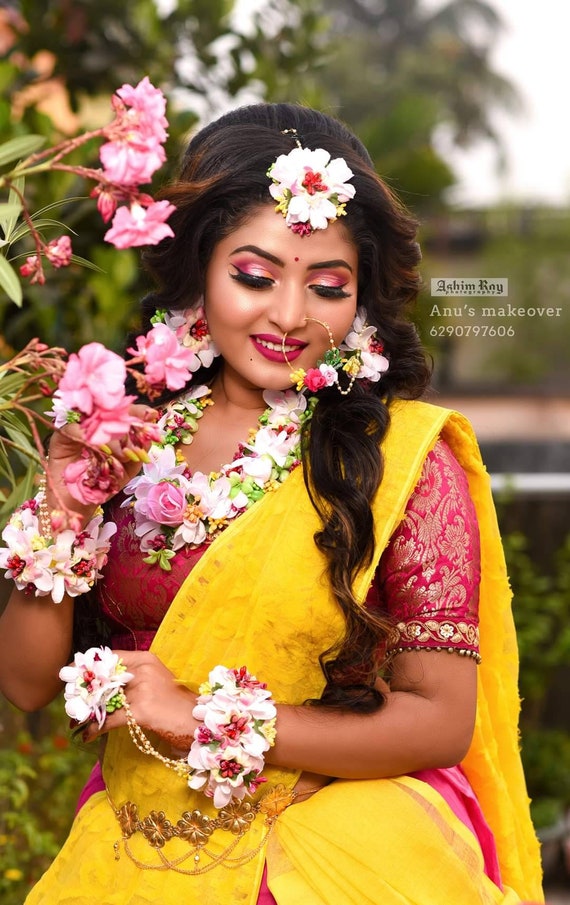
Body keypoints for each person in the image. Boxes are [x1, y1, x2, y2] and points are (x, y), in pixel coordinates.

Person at [0, 102, 543, 905]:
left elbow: (440, 720)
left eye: (326, 286)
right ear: (198, 268)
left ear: (358, 297)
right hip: (128, 855)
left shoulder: (398, 459)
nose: (289, 316)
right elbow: (28, 682)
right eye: (253, 275)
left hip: (325, 860)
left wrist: (205, 720)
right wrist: (63, 505)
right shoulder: (125, 431)